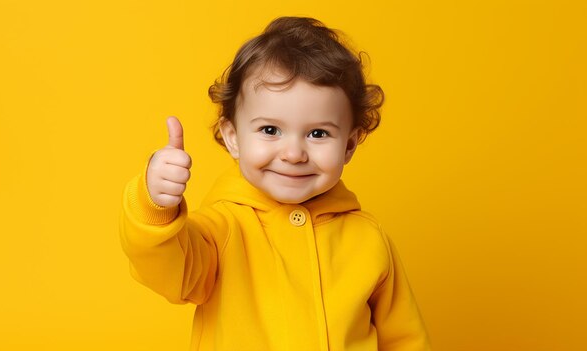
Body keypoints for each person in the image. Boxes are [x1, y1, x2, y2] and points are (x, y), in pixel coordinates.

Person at [120, 16, 431, 351]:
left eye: (318, 133)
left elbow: (404, 339)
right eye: (270, 130)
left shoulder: (368, 239)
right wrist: (156, 206)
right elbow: (171, 275)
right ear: (233, 138)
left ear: (350, 145)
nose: (294, 153)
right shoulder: (221, 229)